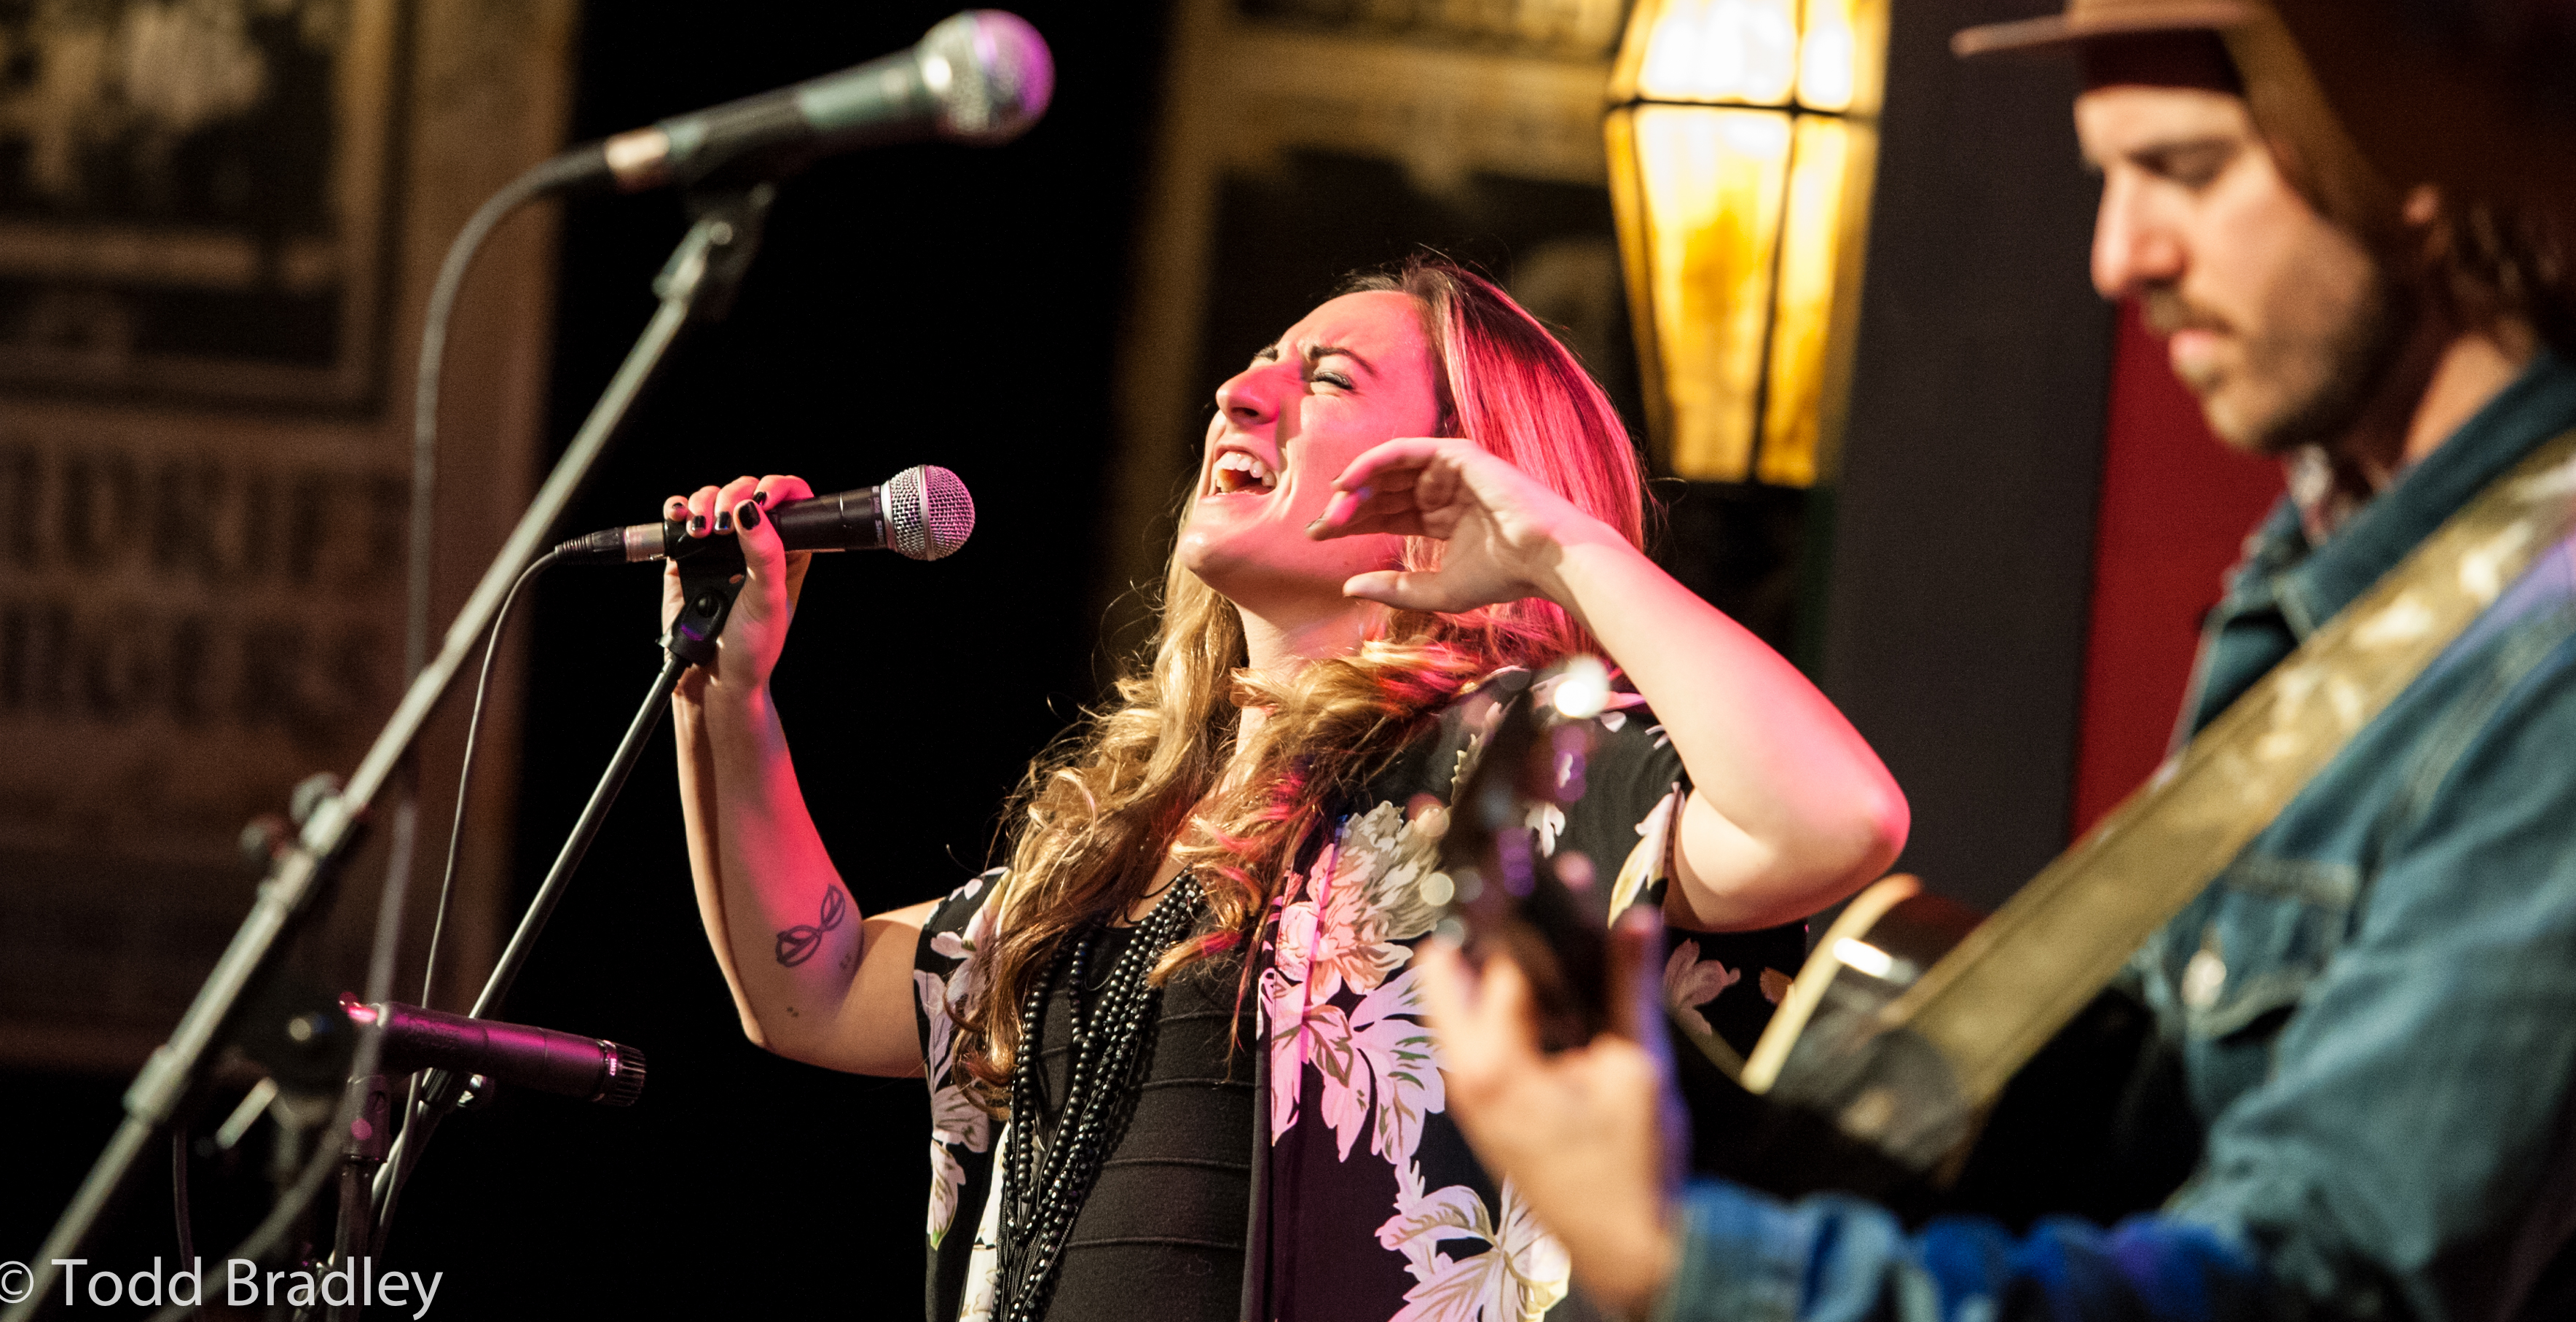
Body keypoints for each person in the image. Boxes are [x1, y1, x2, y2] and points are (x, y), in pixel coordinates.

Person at [1418, 0, 2576, 1322]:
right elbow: (2141, 1176)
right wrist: (1665, 1121)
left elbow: (2314, 1288)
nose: (2121, 258)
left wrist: (1683, 1261)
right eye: (2108, 178)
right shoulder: (2324, 584)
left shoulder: (2572, 659)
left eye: (2186, 171)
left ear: (2416, 162)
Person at [664, 258, 1910, 1322]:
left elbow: (1830, 822)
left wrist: (1556, 548)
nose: (1237, 392)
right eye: (1258, 362)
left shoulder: (1508, 775)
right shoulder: (1125, 834)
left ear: (1468, 478)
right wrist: (726, 691)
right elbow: (817, 988)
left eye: (1325, 380)